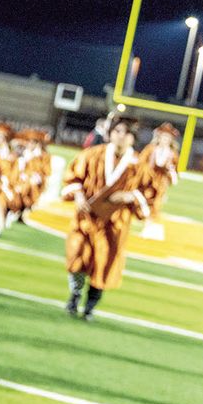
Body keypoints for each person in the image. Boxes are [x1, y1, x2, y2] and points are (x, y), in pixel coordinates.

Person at [60, 116, 154, 320]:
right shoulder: (92, 155)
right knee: (76, 257)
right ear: (110, 133)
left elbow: (148, 194)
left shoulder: (138, 165)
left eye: (127, 133)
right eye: (117, 131)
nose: (121, 136)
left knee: (104, 264)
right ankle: (75, 294)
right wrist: (77, 195)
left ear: (133, 138)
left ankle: (90, 306)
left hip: (115, 224)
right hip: (86, 218)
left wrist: (130, 196)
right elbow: (73, 177)